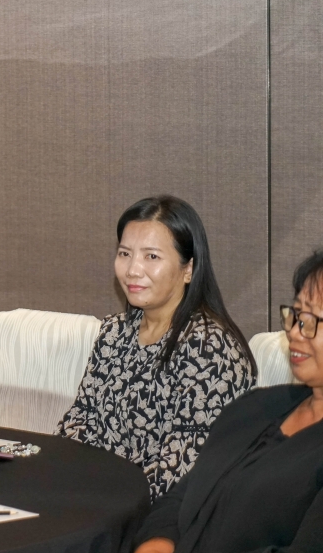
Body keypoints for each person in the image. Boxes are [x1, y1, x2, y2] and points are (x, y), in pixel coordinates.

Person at [122, 249, 323, 553]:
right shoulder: (258, 406)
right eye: (295, 314)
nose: (295, 331)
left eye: (313, 321)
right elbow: (184, 495)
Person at [58, 196, 256, 500]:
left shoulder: (210, 350)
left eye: (151, 256)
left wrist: (101, 501)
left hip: (160, 514)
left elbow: (183, 467)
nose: (132, 270)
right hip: (95, 500)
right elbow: (78, 421)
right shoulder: (114, 332)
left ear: (189, 269)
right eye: (125, 253)